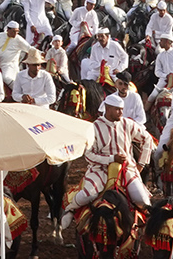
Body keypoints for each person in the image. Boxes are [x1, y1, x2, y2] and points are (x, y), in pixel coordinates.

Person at [59, 97, 156, 232]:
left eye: (122, 109)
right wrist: (112, 159)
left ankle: (148, 226)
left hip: (126, 170)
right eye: (117, 110)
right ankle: (70, 209)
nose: (120, 113)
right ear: (108, 108)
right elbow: (89, 155)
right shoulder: (94, 127)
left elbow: (148, 139)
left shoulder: (128, 124)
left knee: (143, 200)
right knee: (88, 195)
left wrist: (141, 164)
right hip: (100, 169)